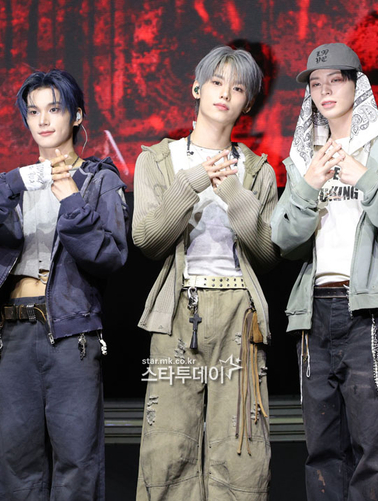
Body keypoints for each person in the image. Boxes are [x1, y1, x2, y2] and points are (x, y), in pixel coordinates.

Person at [0, 69, 129, 500]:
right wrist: (16, 181)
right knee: (15, 463)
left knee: (77, 461)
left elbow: (110, 256)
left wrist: (71, 200)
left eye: (54, 109)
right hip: (15, 333)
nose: (43, 120)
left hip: (72, 334)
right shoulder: (15, 183)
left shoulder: (99, 181)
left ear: (77, 115)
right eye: (33, 112)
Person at [270, 43, 378, 500]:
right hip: (313, 314)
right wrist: (308, 185)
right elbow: (283, 240)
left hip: (372, 312)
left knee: (375, 453)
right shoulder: (304, 157)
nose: (324, 91)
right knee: (322, 453)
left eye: (335, 80)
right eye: (316, 84)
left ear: (358, 86)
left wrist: (366, 178)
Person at [133, 45, 279, 500]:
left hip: (239, 314)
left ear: (247, 103)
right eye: (216, 82)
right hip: (178, 311)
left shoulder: (257, 170)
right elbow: (148, 239)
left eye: (238, 88)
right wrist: (192, 182)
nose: (225, 93)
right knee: (168, 445)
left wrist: (234, 193)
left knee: (240, 446)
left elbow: (268, 253)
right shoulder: (158, 159)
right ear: (197, 88)